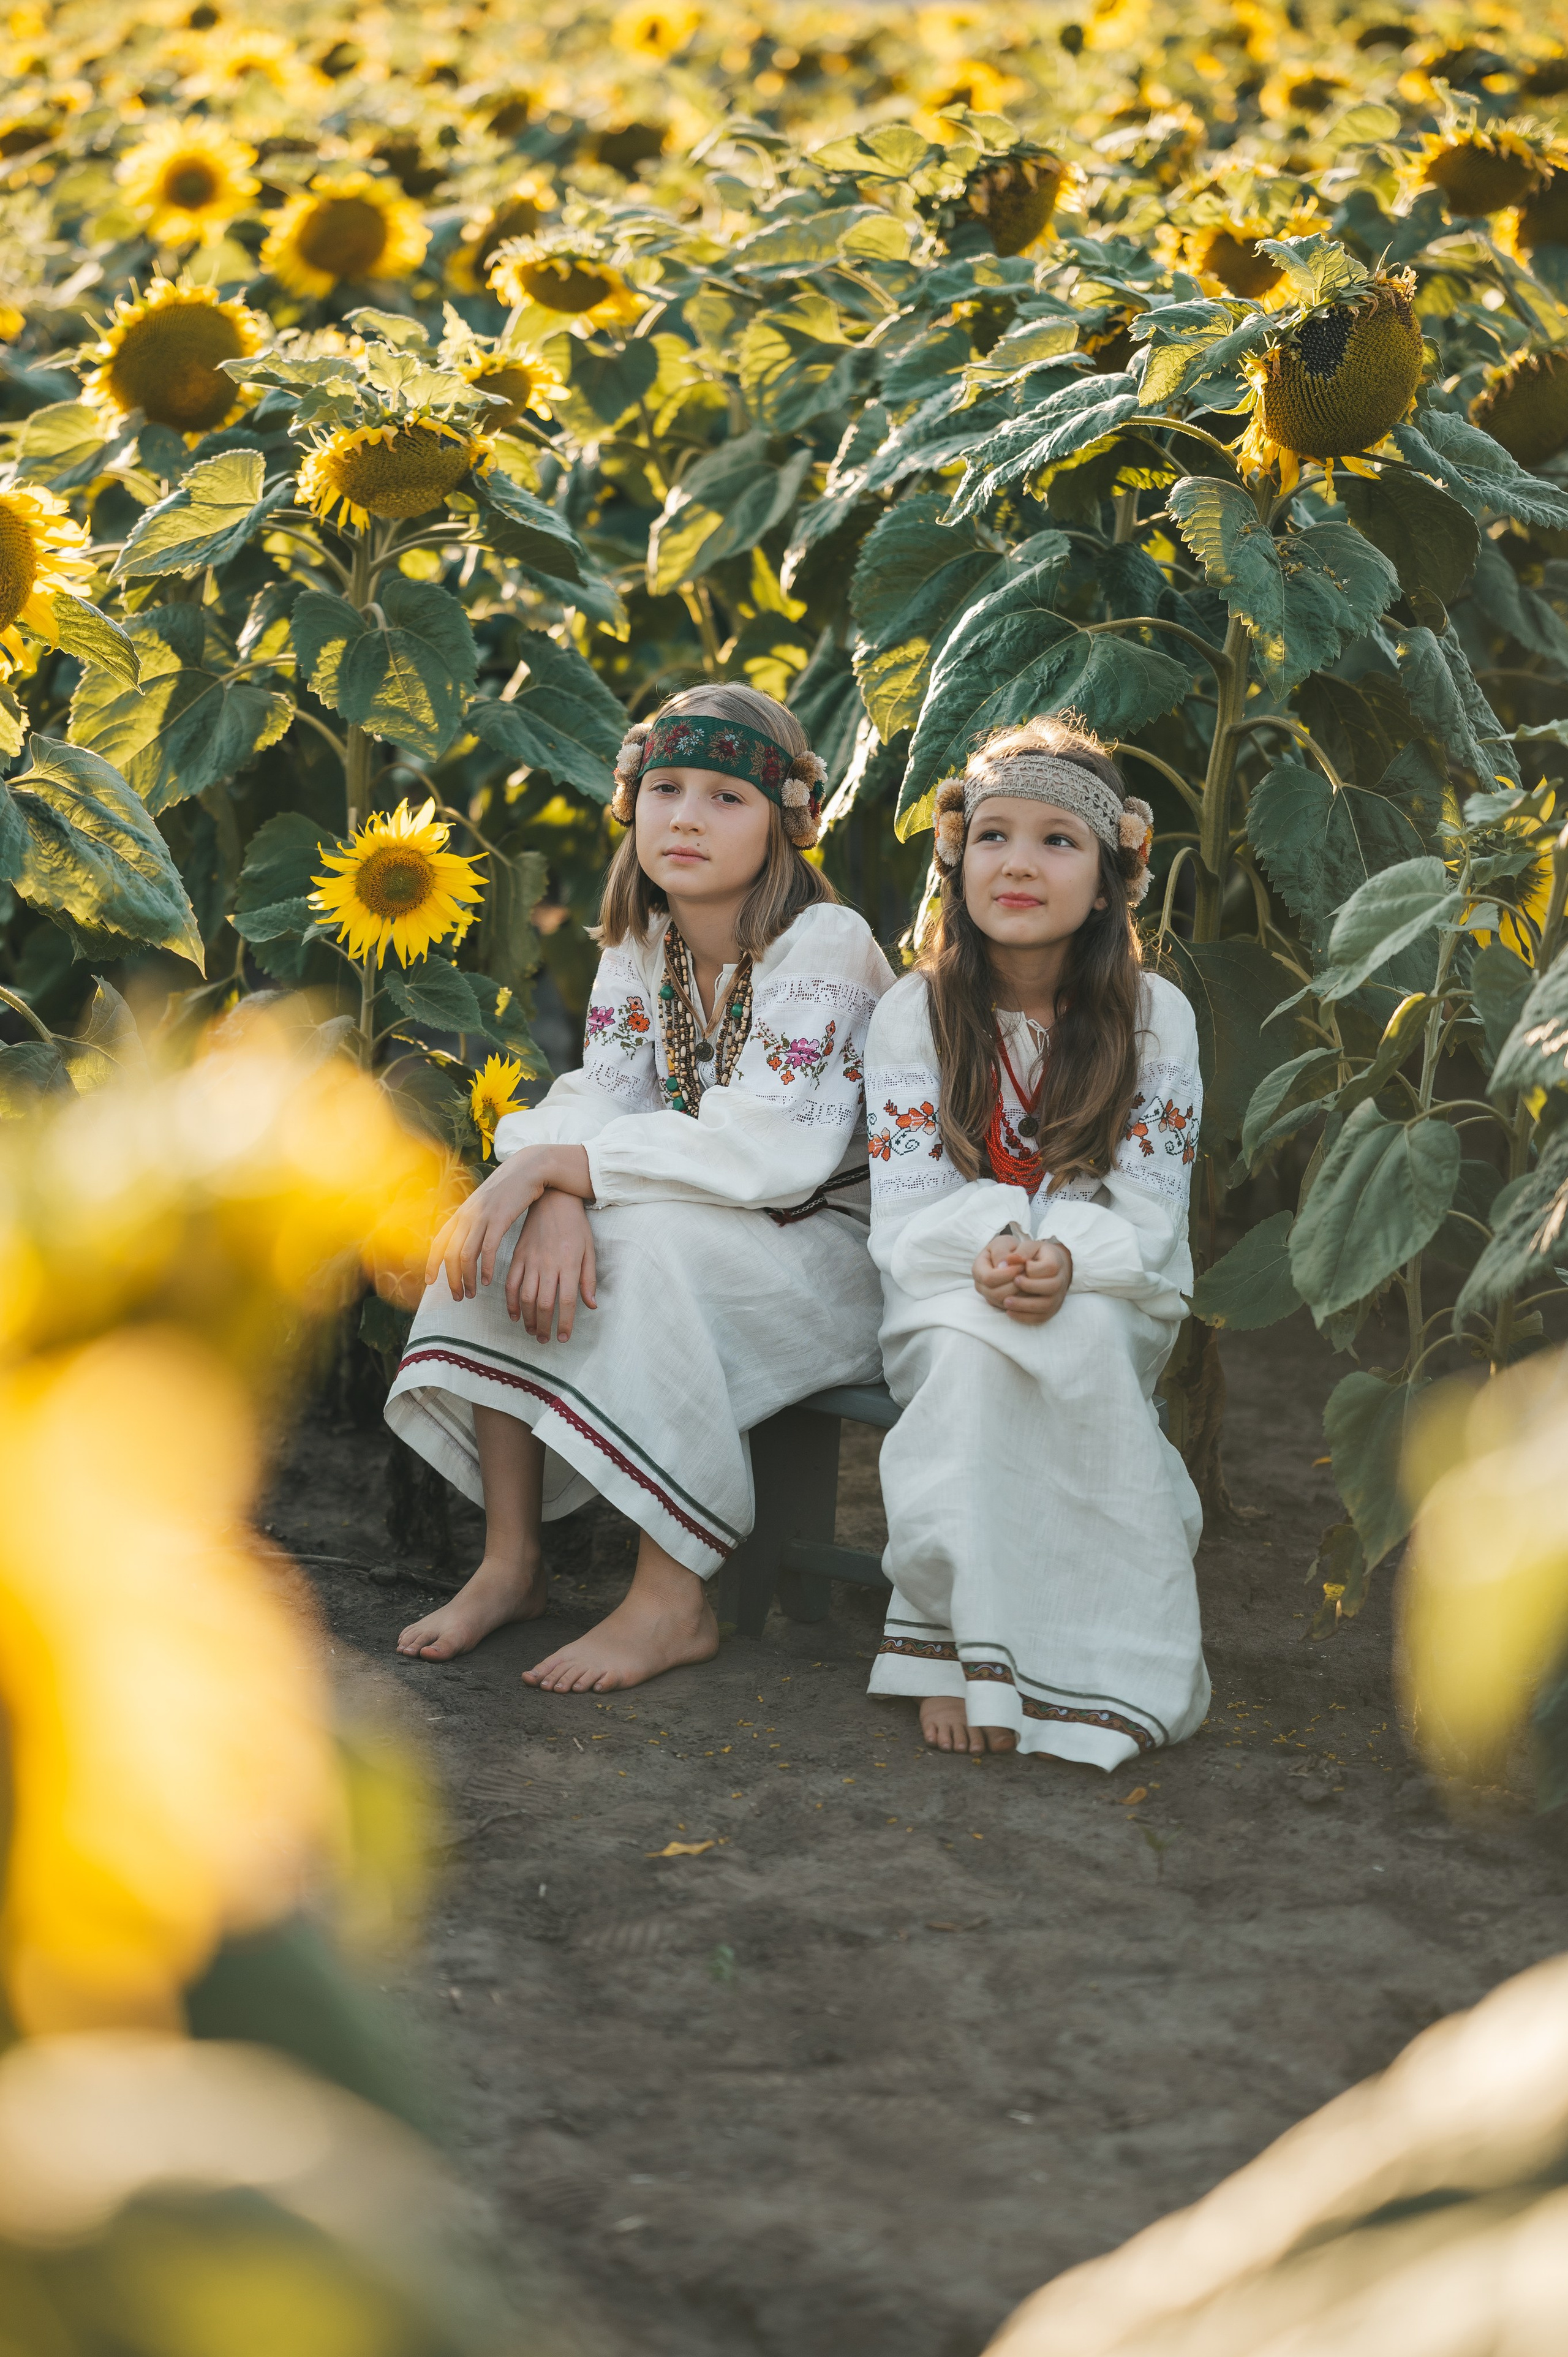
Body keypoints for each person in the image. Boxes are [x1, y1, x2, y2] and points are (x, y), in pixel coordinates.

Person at [386, 683, 894, 1692]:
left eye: (725, 798)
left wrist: (547, 1165)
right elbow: (604, 1094)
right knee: (514, 1226)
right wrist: (555, 1190)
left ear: (786, 824)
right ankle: (511, 1560)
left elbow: (768, 1148)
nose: (687, 818)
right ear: (631, 804)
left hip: (832, 1244)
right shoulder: (644, 939)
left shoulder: (825, 946)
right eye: (665, 788)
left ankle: (672, 1600)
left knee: (649, 1252)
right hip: (710, 1212)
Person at [862, 713, 1210, 1768]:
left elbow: (1152, 1206)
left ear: (1110, 879)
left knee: (1085, 1345)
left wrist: (1070, 1259)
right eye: (993, 836)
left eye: (1058, 841)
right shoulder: (912, 1014)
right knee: (974, 1352)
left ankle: (1104, 1650)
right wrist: (999, 1250)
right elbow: (909, 1206)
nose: (1017, 862)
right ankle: (966, 1648)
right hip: (943, 1280)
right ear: (956, 857)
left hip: (1111, 1282)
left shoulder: (1157, 1017)